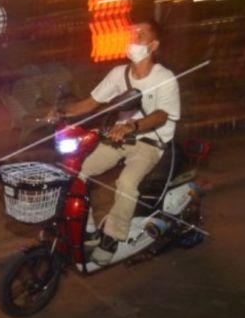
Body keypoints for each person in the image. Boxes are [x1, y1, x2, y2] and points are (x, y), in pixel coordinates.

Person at [48, 19, 181, 265]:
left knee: (126, 182)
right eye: (130, 34)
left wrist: (133, 125)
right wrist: (62, 112)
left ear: (153, 45)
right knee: (76, 171)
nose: (132, 40)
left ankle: (112, 236)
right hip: (118, 138)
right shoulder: (118, 74)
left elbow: (162, 114)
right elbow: (91, 102)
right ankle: (88, 228)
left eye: (139, 36)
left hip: (150, 141)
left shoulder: (165, 78)